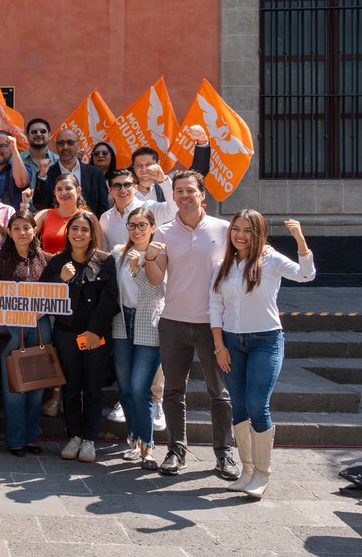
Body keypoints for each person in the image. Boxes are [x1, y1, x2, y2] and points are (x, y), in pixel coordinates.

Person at [211, 212, 315, 498]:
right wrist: (219, 347)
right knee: (240, 407)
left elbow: (306, 275)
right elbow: (214, 307)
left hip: (266, 341)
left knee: (258, 404)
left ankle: (262, 473)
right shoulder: (223, 266)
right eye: (236, 229)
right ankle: (247, 470)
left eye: (247, 230)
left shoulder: (271, 260)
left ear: (258, 234)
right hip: (231, 343)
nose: (240, 235)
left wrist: (300, 239)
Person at [145, 170, 238, 479]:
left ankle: (225, 454)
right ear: (173, 197)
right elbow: (156, 279)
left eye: (189, 191)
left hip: (214, 325)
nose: (184, 196)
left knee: (219, 392)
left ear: (202, 195)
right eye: (178, 191)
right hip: (173, 322)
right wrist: (150, 257)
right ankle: (176, 450)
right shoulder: (164, 231)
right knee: (173, 390)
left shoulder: (224, 229)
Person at [42, 211, 120, 464]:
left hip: (95, 335)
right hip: (65, 333)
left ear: (92, 234)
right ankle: (74, 434)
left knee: (93, 387)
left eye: (84, 230)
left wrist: (95, 331)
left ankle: (89, 439)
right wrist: (60, 281)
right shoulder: (57, 262)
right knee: (71, 386)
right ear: (68, 232)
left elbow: (110, 300)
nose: (79, 234)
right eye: (74, 228)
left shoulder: (105, 261)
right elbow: (45, 296)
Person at [0, 210, 52, 456]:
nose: (22, 232)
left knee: (37, 382)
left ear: (34, 230)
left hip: (40, 326)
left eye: (27, 227)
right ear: (9, 232)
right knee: (13, 384)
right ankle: (15, 438)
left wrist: (43, 307)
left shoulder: (47, 259)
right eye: (16, 228)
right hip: (11, 327)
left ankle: (31, 437)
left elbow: (57, 294)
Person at [109, 207, 167, 470]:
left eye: (143, 225)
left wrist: (137, 269)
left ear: (153, 227)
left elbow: (156, 291)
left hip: (148, 324)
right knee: (125, 388)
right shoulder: (118, 252)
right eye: (133, 225)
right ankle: (133, 440)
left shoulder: (159, 253)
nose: (137, 230)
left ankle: (148, 447)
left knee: (138, 388)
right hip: (122, 322)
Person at [33, 131, 111, 218]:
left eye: (70, 143)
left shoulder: (95, 173)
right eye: (61, 143)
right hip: (56, 227)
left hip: (88, 227)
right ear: (56, 146)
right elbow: (39, 205)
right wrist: (43, 175)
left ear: (78, 145)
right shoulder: (46, 174)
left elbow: (103, 207)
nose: (65, 147)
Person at [34, 174, 86, 256]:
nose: (64, 193)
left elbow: (97, 250)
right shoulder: (44, 215)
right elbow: (25, 232)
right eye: (59, 189)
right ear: (55, 193)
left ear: (78, 191)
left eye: (68, 188)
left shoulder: (88, 217)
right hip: (48, 266)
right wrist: (24, 204)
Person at [21, 118, 58, 185]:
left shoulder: (58, 161)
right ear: (27, 136)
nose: (38, 134)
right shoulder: (17, 160)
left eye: (43, 131)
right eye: (34, 132)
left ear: (49, 135)